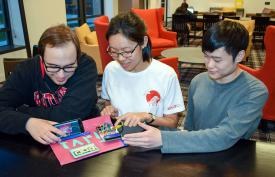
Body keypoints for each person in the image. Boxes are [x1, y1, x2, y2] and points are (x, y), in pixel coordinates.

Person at [122, 21, 268, 153]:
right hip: (196, 153)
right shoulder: (198, 81)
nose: (209, 65)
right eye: (206, 56)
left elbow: (225, 136)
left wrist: (163, 139)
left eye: (217, 60)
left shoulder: (255, 91)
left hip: (232, 158)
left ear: (239, 56)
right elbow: (189, 129)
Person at [0, 24, 99, 145]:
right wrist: (28, 123)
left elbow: (69, 115)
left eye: (69, 66)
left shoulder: (85, 65)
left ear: (77, 59)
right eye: (53, 67)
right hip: (37, 145)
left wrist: (21, 111)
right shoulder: (26, 70)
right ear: (41, 60)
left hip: (85, 137)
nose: (61, 75)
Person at [100, 12, 185, 129]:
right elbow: (108, 103)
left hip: (151, 139)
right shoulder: (110, 70)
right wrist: (110, 110)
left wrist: (147, 117)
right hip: (120, 137)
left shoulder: (166, 74)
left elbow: (172, 122)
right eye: (114, 51)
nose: (120, 58)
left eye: (127, 51)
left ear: (143, 42)